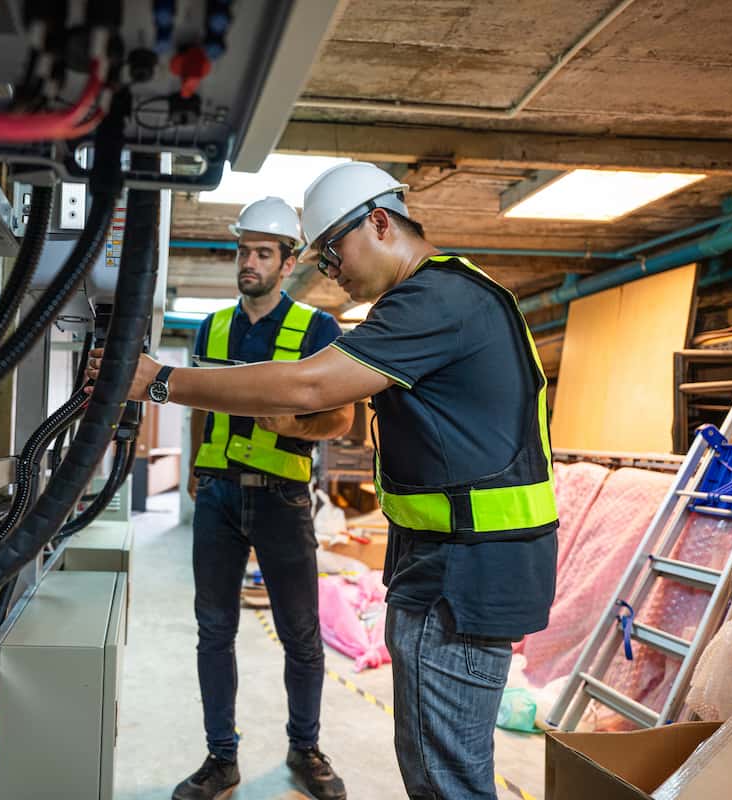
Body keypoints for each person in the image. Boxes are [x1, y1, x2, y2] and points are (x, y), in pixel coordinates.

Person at [89, 164, 558, 800]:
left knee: (446, 775)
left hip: (462, 567)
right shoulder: (440, 299)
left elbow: (313, 386)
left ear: (381, 222)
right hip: (445, 558)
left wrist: (161, 381)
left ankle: (304, 746)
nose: (331, 273)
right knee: (435, 765)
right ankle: (219, 755)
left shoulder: (435, 300)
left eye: (332, 253)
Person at [172, 196, 353, 800]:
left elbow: (341, 419)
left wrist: (297, 428)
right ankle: (220, 759)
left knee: (301, 633)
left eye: (262, 252)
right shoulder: (213, 326)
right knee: (213, 630)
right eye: (243, 250)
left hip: (282, 498)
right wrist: (200, 465)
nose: (247, 261)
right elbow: (199, 398)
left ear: (288, 261)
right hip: (219, 496)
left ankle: (306, 750)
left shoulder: (317, 329)